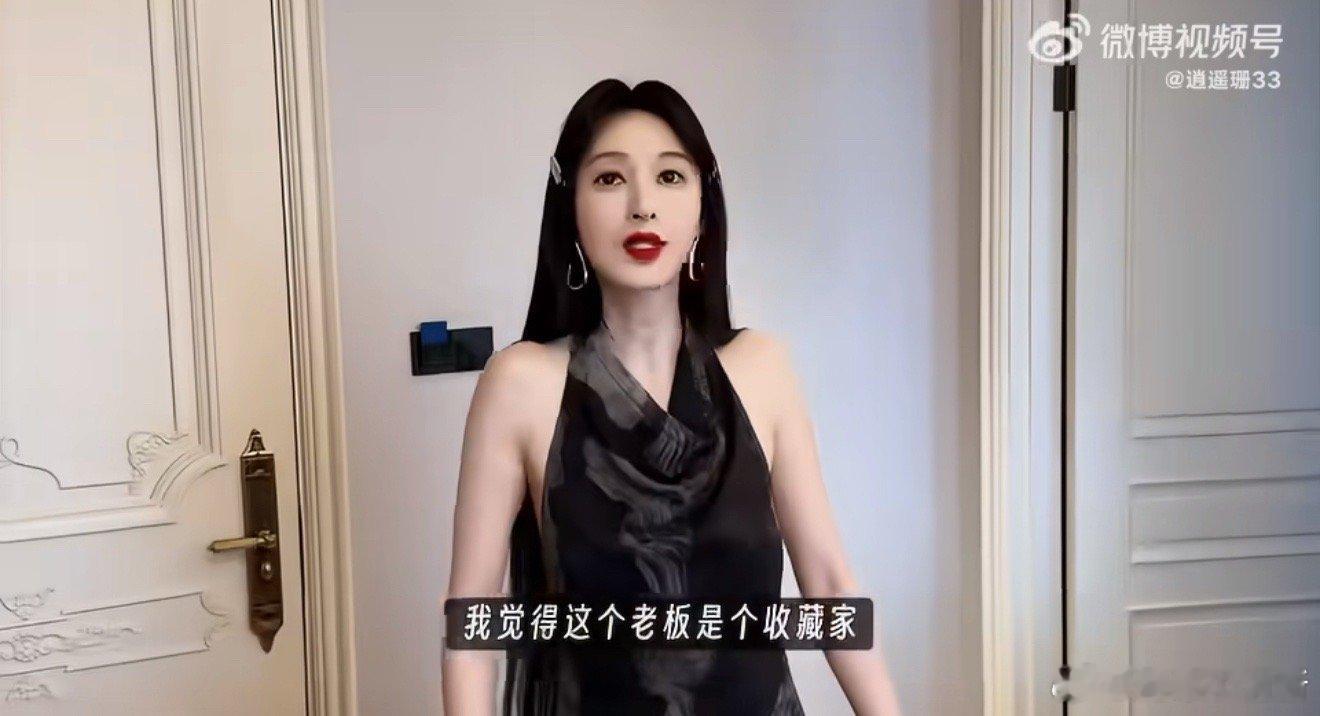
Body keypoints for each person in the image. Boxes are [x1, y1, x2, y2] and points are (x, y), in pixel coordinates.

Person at [442, 78, 902, 715]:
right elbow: (474, 628)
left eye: (669, 177)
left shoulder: (763, 369)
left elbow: (829, 583)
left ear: (703, 210)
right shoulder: (521, 384)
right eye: (609, 178)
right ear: (570, 207)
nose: (642, 206)